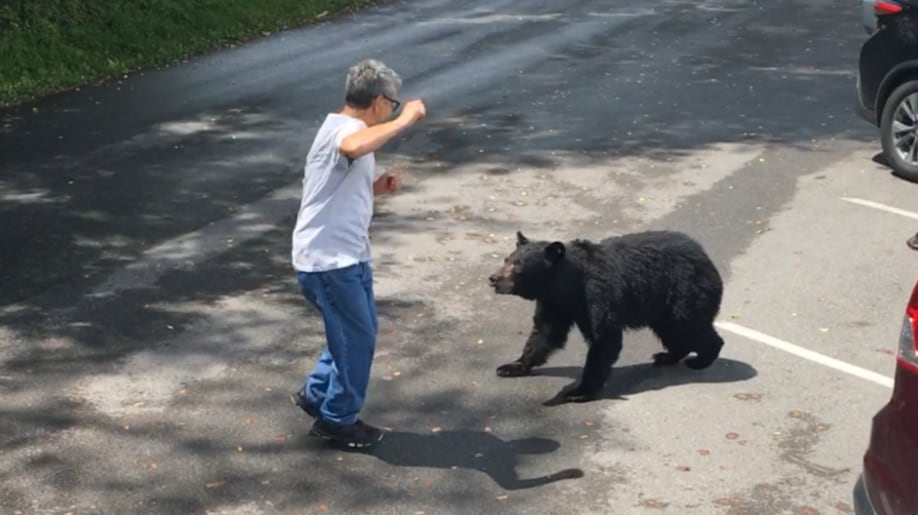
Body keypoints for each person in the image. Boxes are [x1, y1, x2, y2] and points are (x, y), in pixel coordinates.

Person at [288, 59, 426, 448]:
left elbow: (330, 188)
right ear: (380, 102)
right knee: (357, 337)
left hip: (346, 255)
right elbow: (352, 146)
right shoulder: (347, 130)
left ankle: (316, 394)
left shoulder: (339, 127)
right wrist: (405, 121)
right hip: (329, 261)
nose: (394, 113)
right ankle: (337, 419)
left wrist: (376, 188)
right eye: (393, 106)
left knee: (354, 333)